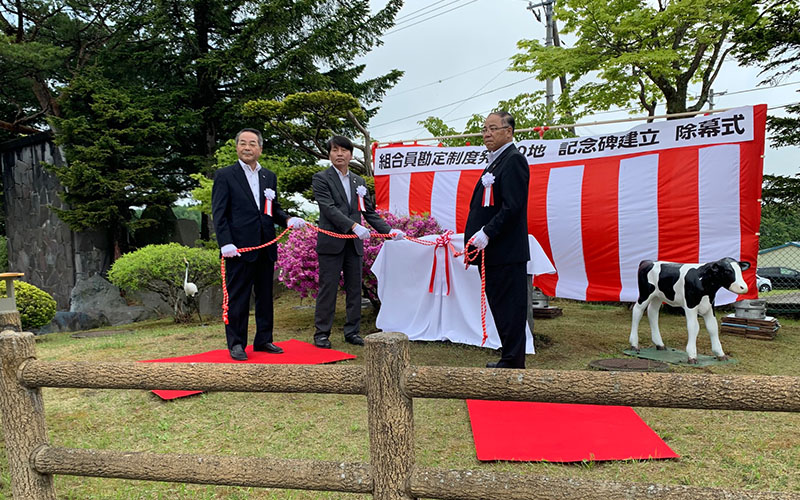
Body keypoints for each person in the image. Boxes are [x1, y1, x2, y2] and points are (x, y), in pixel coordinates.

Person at [212, 128, 306, 360]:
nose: (247, 147)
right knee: (239, 298)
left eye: (252, 143)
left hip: (266, 246)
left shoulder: (269, 177)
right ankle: (236, 343)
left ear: (260, 149)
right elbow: (219, 214)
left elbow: (272, 209)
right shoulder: (225, 175)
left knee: (265, 297)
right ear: (237, 147)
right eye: (242, 143)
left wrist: (287, 219)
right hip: (238, 250)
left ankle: (264, 339)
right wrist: (225, 243)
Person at [311, 136, 405, 348]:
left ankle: (352, 332)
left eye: (344, 150)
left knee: (355, 289)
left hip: (354, 244)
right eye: (335, 150)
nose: (340, 154)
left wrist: (389, 231)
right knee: (329, 288)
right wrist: (354, 226)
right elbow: (329, 209)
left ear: (351, 155)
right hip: (331, 243)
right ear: (329, 154)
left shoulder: (359, 181)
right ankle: (322, 333)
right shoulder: (321, 178)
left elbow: (369, 212)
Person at [464, 112, 530, 369]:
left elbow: (513, 206)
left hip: (505, 250)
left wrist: (487, 232)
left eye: (493, 128)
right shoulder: (495, 162)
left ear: (509, 132)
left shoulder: (513, 160)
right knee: (500, 306)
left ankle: (513, 360)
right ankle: (509, 356)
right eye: (484, 129)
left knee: (510, 307)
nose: (487, 134)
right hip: (492, 252)